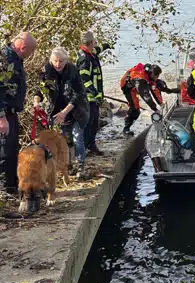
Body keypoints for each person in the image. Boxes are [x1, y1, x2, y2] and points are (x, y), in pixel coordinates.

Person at [33, 47, 90, 179]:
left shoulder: (73, 70)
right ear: (51, 60)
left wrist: (65, 112)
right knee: (64, 138)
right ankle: (67, 165)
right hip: (57, 110)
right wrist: (36, 102)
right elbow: (40, 91)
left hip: (76, 109)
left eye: (62, 61)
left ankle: (80, 166)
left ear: (67, 60)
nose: (58, 64)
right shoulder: (46, 70)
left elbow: (79, 94)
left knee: (77, 137)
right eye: (55, 61)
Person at [0, 32, 37, 195]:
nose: (31, 56)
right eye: (31, 52)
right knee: (5, 152)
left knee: (12, 150)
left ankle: (12, 186)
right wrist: (2, 117)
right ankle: (4, 189)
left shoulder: (15, 59)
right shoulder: (4, 60)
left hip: (11, 112)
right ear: (23, 48)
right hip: (4, 114)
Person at [76, 31, 114, 156]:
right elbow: (84, 79)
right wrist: (96, 93)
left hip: (93, 98)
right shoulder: (85, 59)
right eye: (94, 42)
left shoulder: (90, 53)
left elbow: (97, 49)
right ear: (91, 42)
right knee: (89, 124)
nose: (96, 44)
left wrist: (107, 45)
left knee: (94, 122)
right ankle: (87, 148)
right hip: (88, 98)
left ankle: (90, 146)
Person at [120, 63, 179, 136]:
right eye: (156, 75)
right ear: (151, 73)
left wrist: (165, 98)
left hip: (139, 82)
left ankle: (176, 90)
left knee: (159, 84)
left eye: (158, 75)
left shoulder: (150, 75)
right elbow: (146, 96)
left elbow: (156, 90)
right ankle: (126, 128)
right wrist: (155, 109)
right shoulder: (140, 79)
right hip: (128, 87)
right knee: (135, 109)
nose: (157, 77)